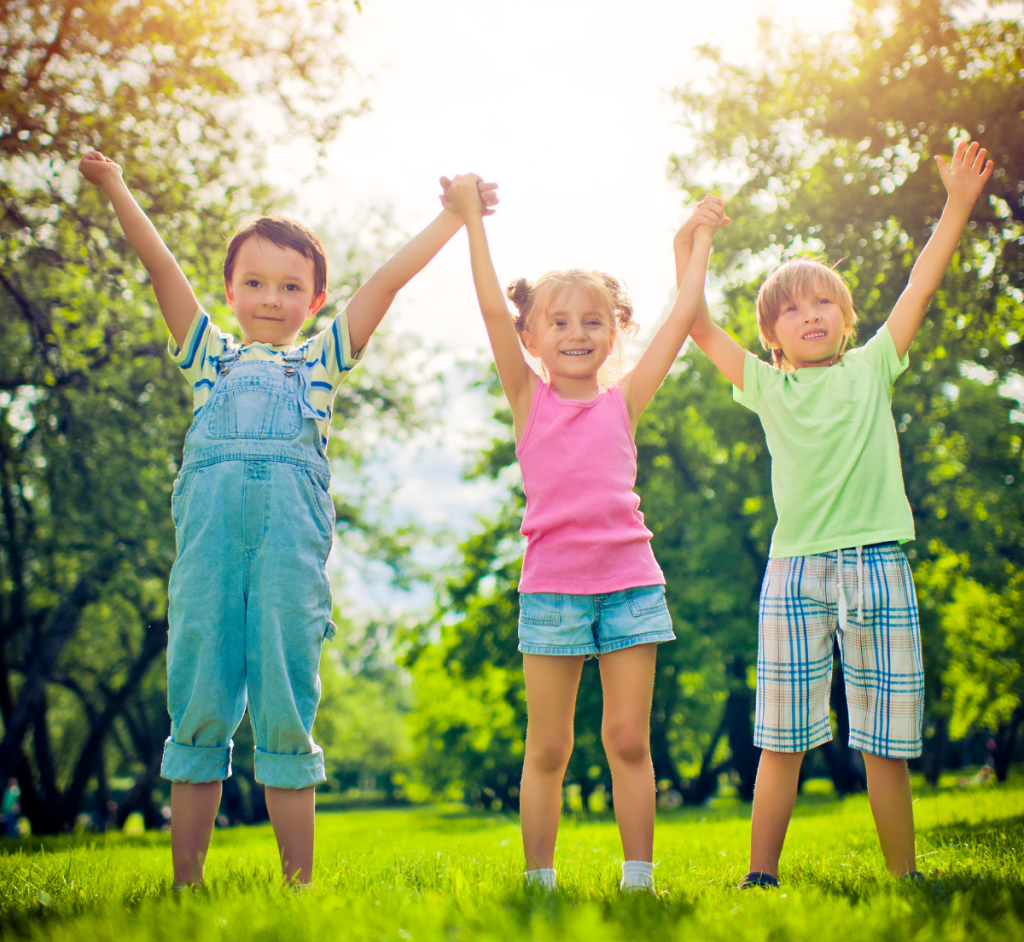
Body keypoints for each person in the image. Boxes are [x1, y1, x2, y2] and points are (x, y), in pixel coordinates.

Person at [79, 151, 497, 888]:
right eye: (255, 283)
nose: (271, 298)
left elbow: (389, 282)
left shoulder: (322, 365)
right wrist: (115, 184)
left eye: (291, 286)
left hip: (286, 563)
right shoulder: (206, 356)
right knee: (199, 702)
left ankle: (297, 884)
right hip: (208, 559)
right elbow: (160, 266)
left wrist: (452, 216)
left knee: (284, 705)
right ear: (231, 289)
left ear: (315, 298)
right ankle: (186, 884)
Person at [676, 140, 994, 887]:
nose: (809, 315)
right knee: (781, 737)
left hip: (877, 566)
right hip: (794, 575)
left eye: (822, 303)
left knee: (884, 740)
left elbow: (919, 285)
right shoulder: (765, 387)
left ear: (847, 318)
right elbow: (692, 324)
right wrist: (688, 244)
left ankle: (903, 876)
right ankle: (760, 874)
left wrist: (956, 203)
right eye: (790, 310)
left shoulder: (874, 364)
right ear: (772, 335)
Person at [443, 173, 727, 893]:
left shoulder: (625, 398)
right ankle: (540, 881)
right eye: (559, 322)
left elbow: (682, 313)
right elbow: (485, 302)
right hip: (552, 594)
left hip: (630, 587)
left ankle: (639, 881)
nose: (576, 333)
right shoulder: (525, 397)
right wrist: (473, 219)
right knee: (548, 746)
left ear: (614, 332)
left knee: (628, 740)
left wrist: (693, 243)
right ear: (531, 336)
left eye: (592, 322)